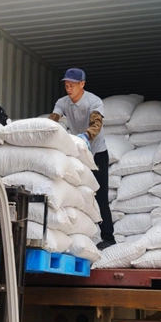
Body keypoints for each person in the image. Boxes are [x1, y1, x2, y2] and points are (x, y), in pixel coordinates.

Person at [48, 68, 115, 249]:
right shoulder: (62, 102)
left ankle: (108, 237)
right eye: (66, 85)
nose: (68, 89)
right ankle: (82, 237)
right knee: (76, 195)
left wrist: (86, 136)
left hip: (97, 152)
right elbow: (53, 119)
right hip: (77, 153)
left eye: (72, 85)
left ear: (82, 84)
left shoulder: (94, 101)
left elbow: (96, 123)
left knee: (100, 196)